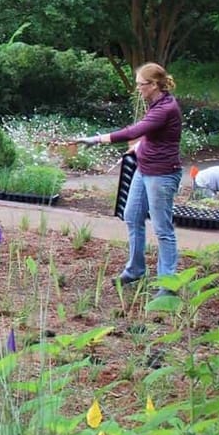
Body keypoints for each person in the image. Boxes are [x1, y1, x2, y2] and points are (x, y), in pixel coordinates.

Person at [74, 63, 182, 293]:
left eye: (140, 85)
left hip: (161, 175)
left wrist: (96, 139)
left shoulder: (166, 108)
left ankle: (168, 285)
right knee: (132, 216)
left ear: (153, 85)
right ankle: (135, 270)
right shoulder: (157, 104)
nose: (137, 89)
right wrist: (142, 146)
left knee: (163, 229)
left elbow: (134, 131)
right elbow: (155, 134)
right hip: (144, 170)